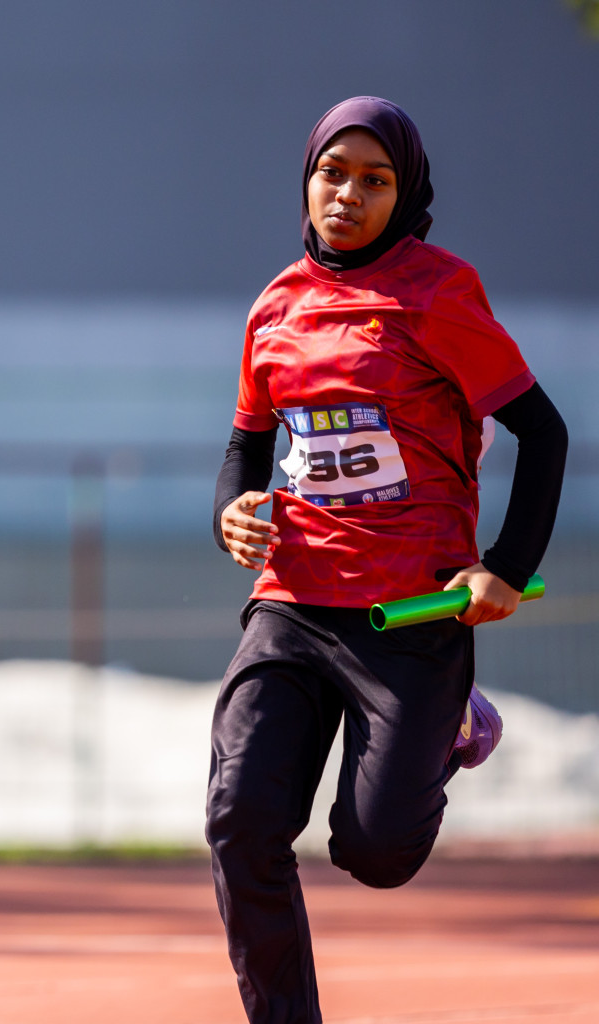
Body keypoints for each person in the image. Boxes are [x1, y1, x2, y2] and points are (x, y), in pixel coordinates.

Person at [207, 97, 567, 1024]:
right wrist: (231, 517)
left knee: (375, 853)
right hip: (290, 603)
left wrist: (501, 565)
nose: (349, 196)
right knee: (241, 822)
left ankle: (450, 721)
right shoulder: (276, 306)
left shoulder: (439, 292)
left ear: (405, 195)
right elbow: (247, 448)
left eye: (376, 181)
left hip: (409, 614)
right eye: (334, 175)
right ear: (307, 182)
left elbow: (543, 431)